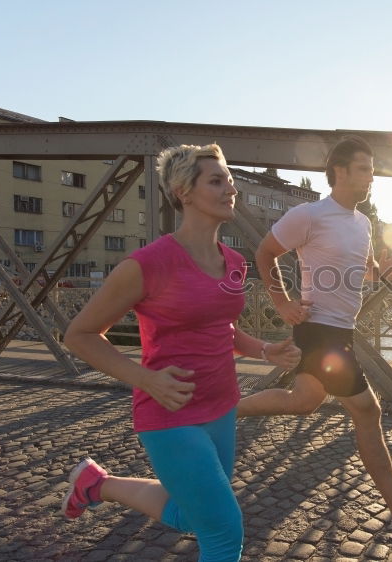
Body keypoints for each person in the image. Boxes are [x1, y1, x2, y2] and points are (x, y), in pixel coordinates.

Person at [60, 143, 301, 561]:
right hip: (169, 414)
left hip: (221, 406)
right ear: (183, 192)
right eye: (216, 180)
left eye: (229, 179)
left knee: (193, 516)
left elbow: (220, 326)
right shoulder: (149, 264)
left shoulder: (233, 262)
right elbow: (79, 334)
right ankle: (96, 483)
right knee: (224, 532)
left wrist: (265, 350)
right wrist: (145, 378)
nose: (230, 189)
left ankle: (97, 484)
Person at [238, 135, 392, 541]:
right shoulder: (309, 214)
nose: (372, 177)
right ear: (339, 171)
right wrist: (282, 303)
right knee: (368, 412)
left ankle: (221, 410)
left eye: (372, 170)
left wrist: (384, 271)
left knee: (304, 401)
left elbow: (366, 269)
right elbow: (265, 253)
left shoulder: (363, 222)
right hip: (319, 330)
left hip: (341, 330)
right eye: (364, 168)